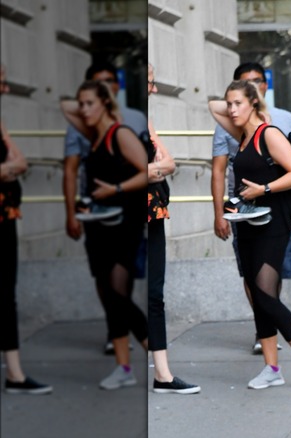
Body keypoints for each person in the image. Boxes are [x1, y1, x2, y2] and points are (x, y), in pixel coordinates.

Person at [209, 80, 291, 392]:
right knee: (257, 296)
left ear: (254, 104)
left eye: (238, 103)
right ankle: (271, 368)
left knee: (265, 296)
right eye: (229, 103)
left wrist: (265, 189)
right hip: (246, 223)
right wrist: (239, 106)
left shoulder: (267, 134)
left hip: (272, 224)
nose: (231, 109)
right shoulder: (242, 135)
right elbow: (212, 106)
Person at [60, 80, 149, 389]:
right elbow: (64, 106)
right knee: (107, 294)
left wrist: (117, 188)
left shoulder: (119, 133)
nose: (82, 109)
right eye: (81, 104)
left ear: (106, 104)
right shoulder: (93, 134)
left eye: (89, 103)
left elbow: (146, 171)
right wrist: (92, 106)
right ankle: (124, 368)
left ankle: (158, 355)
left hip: (123, 224)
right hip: (97, 224)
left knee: (118, 294)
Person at [146, 64, 200, 394]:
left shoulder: (144, 123)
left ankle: (162, 374)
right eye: (150, 82)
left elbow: (169, 163)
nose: (153, 89)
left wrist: (151, 169)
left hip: (152, 214)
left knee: (154, 294)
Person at [1, 63, 53, 395]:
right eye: (1, 82)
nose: (5, 89)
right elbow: (13, 164)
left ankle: (15, 374)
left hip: (6, 219)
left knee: (6, 295)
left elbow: (20, 162)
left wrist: (8, 167)